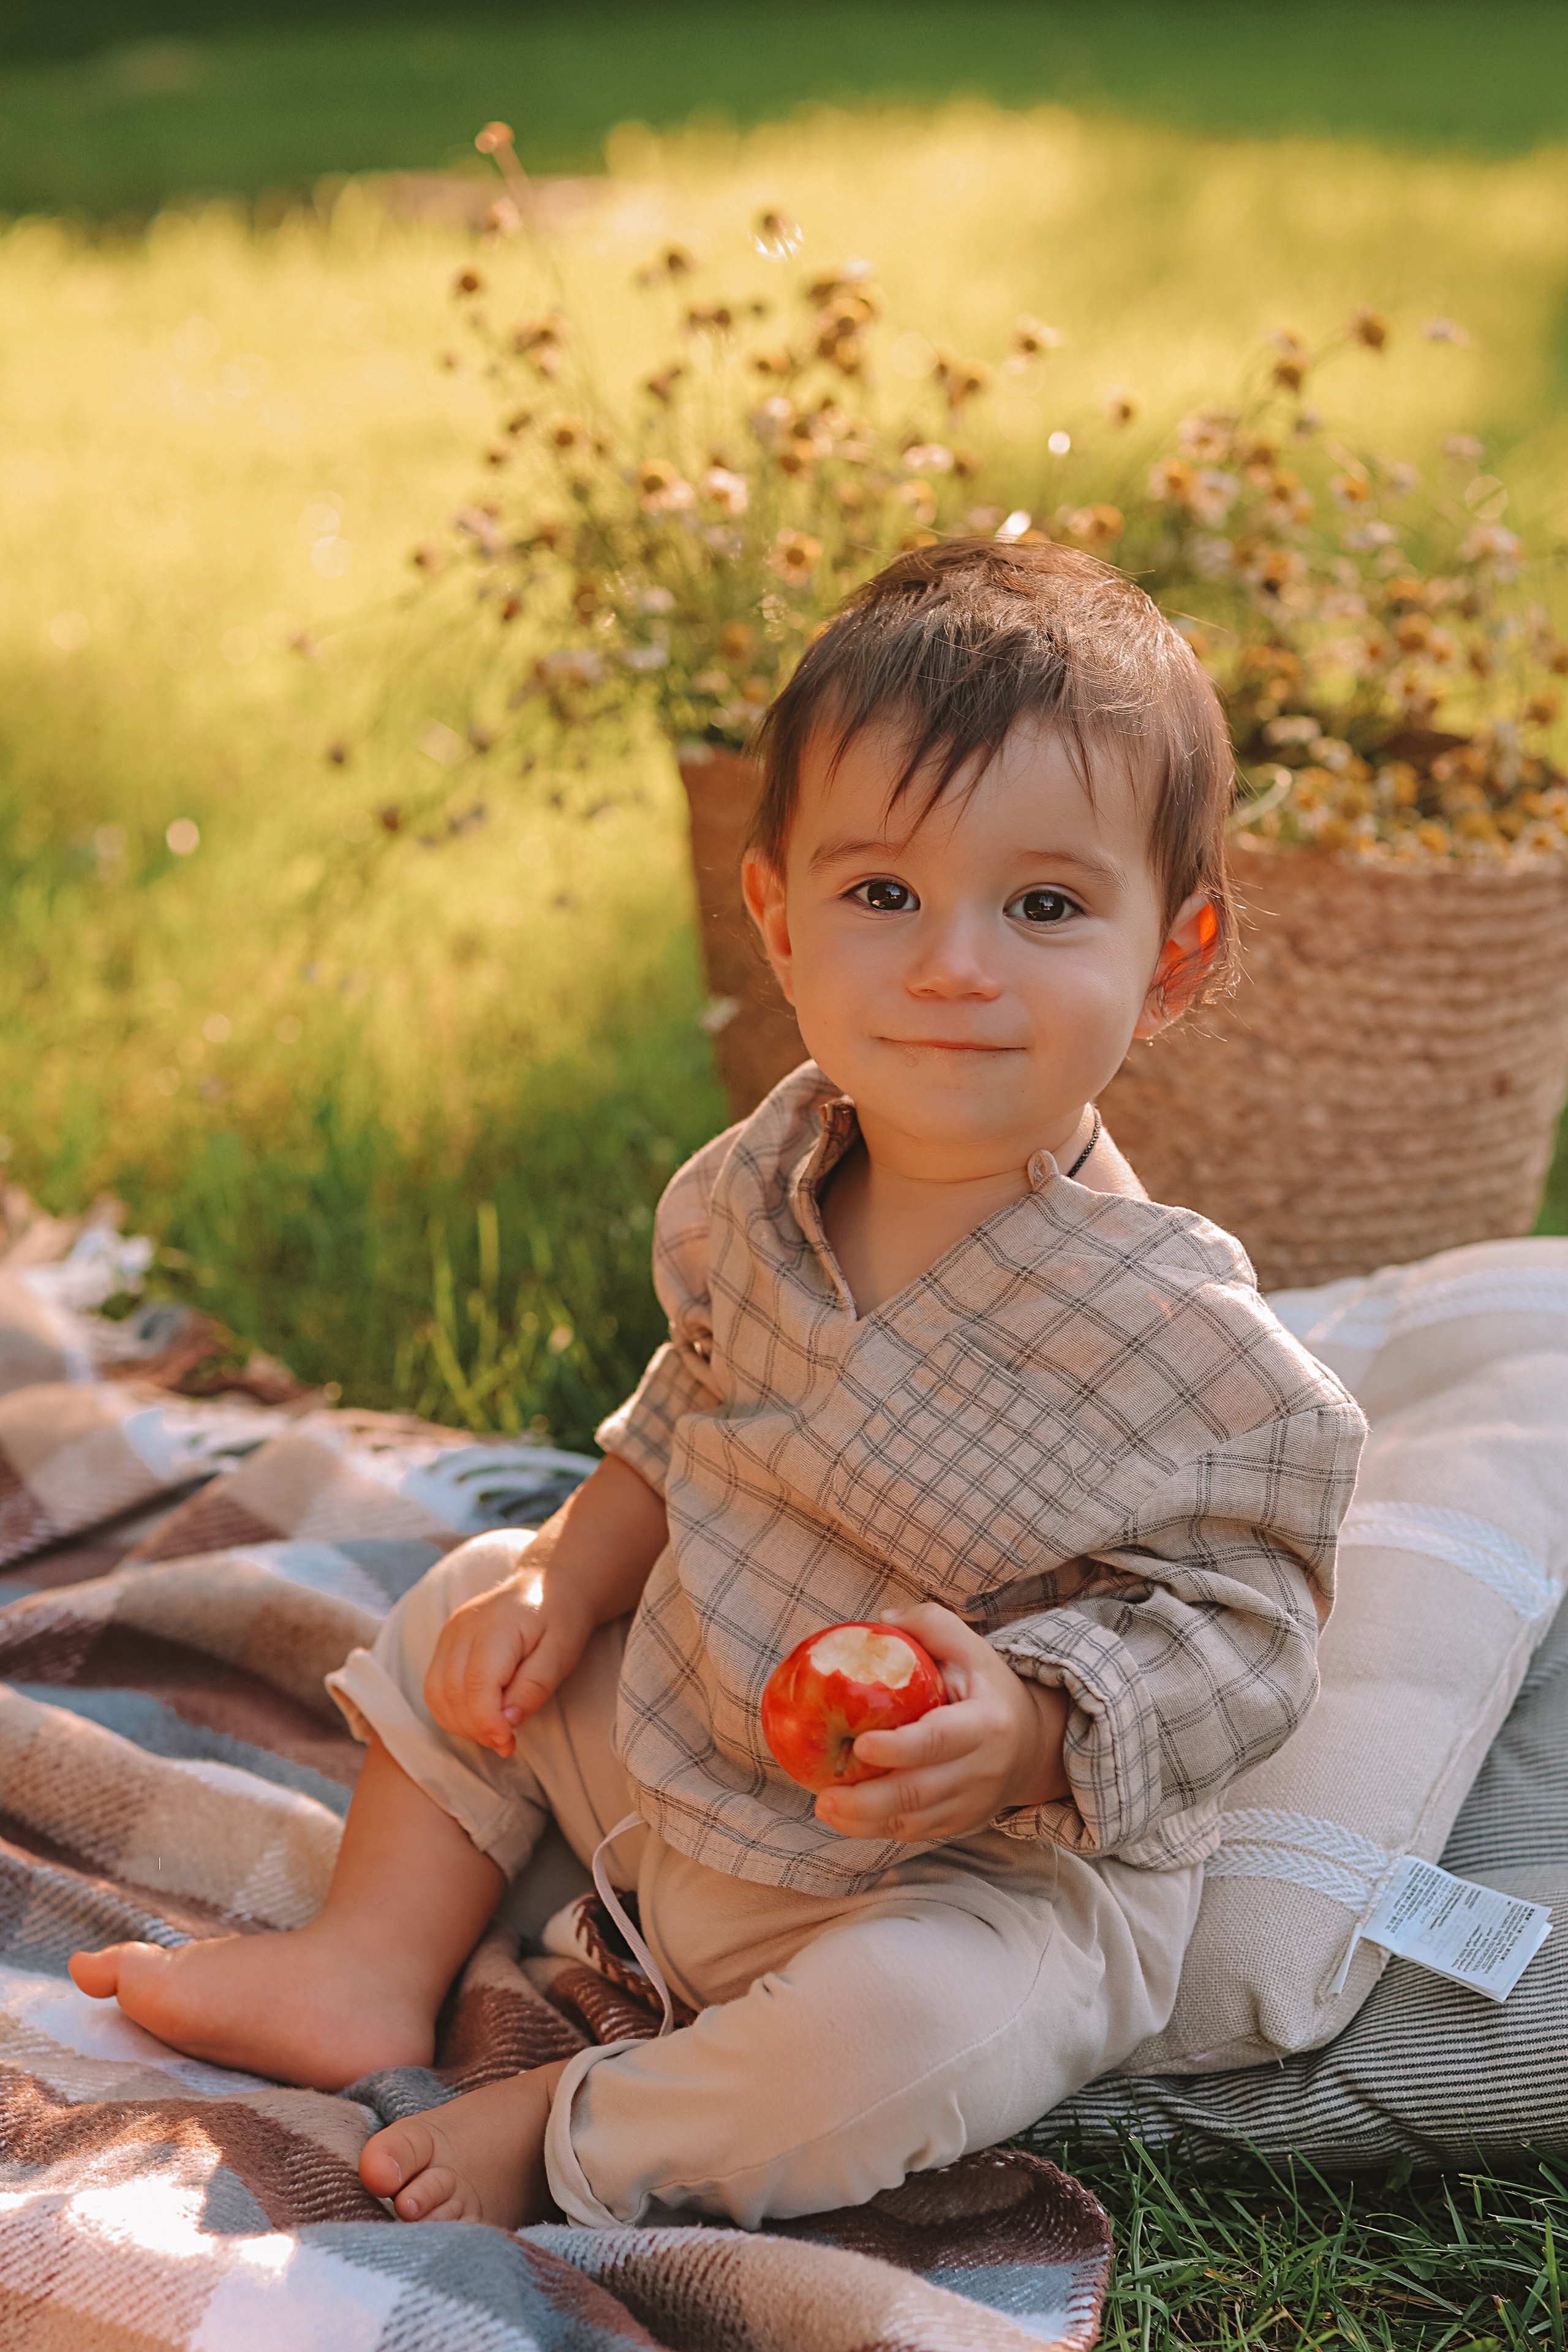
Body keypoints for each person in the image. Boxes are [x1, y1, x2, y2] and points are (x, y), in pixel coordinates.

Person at [70, 540, 1366, 2231]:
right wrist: (567, 1579)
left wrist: (1034, 1726)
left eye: (1044, 907)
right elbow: (675, 1423)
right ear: (776, 919)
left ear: (1177, 956)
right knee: (478, 1596)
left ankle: (580, 2125)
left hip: (964, 1870)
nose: (955, 965)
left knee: (906, 2038)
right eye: (883, 895)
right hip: (700, 1719)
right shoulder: (758, 1186)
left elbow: (1251, 1630)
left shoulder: (1187, 1343)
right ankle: (368, 1962)